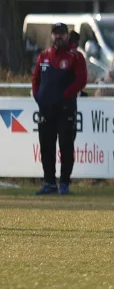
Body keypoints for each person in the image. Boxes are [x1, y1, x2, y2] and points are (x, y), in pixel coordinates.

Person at [32, 23, 87, 195]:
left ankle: (64, 183)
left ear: (67, 36)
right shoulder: (44, 55)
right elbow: (36, 80)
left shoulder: (75, 57)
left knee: (66, 146)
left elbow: (81, 81)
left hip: (65, 109)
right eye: (56, 34)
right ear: (52, 36)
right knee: (46, 146)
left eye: (62, 34)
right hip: (46, 110)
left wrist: (64, 96)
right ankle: (49, 182)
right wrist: (39, 98)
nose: (59, 37)